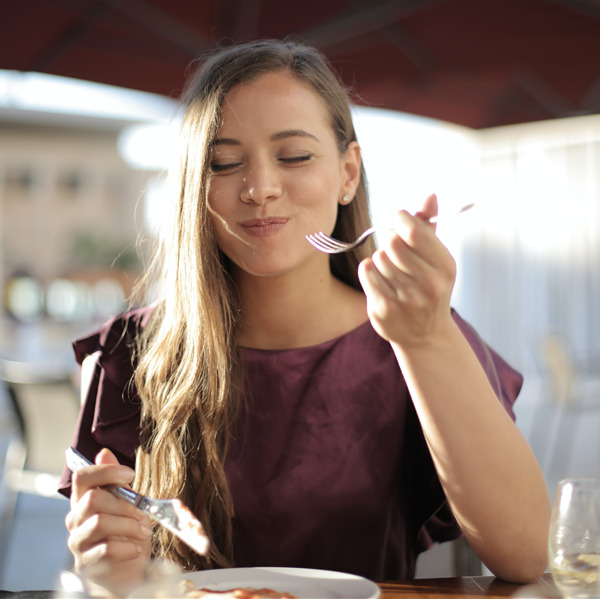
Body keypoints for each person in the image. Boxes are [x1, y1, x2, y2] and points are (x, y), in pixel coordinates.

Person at [59, 38, 550, 590]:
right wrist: (105, 565)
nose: (260, 189)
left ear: (348, 173)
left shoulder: (418, 333)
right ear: (195, 189)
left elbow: (527, 556)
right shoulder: (130, 352)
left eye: (294, 156)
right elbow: (115, 574)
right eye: (223, 163)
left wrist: (427, 339)